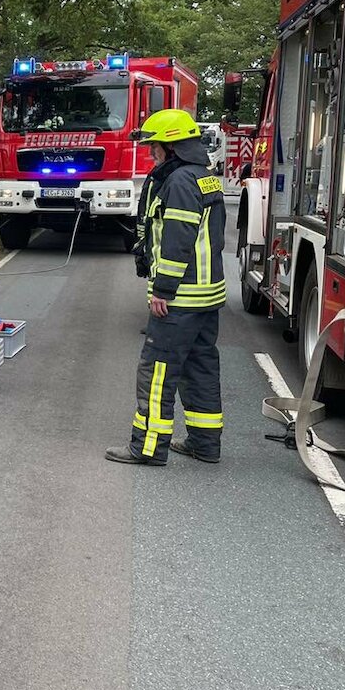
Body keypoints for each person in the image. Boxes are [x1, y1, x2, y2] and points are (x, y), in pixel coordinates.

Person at [106, 109, 226, 465]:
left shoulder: (178, 183)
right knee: (201, 367)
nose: (151, 153)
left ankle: (147, 448)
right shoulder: (205, 177)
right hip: (208, 294)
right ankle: (205, 444)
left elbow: (177, 239)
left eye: (155, 147)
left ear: (170, 147)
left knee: (157, 371)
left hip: (181, 297)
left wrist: (163, 289)